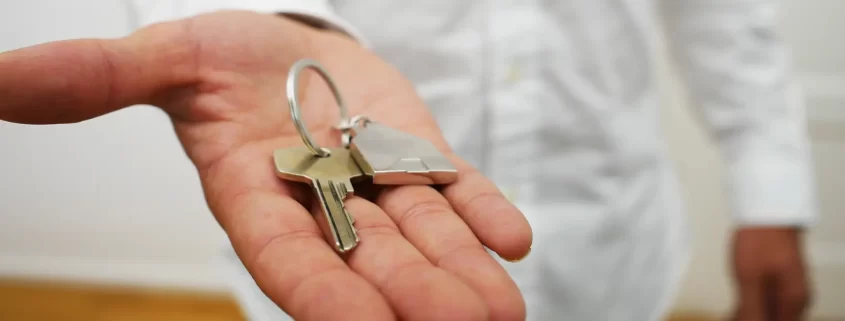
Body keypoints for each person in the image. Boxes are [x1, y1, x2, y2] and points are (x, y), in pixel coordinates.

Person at [0, 0, 816, 320]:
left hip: (611, 245)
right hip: (331, 269)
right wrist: (265, 19)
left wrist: (768, 185)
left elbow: (724, 13)